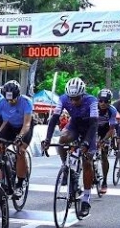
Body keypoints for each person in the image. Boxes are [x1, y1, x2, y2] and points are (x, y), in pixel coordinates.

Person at [41, 77, 99, 217]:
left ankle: (86, 199)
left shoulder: (91, 101)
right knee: (62, 140)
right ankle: (66, 167)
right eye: (71, 98)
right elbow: (54, 119)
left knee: (87, 162)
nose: (73, 101)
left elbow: (93, 125)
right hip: (74, 126)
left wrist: (86, 143)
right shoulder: (63, 99)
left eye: (77, 98)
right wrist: (48, 139)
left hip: (89, 129)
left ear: (83, 95)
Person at [0, 80, 33, 197]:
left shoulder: (26, 102)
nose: (10, 102)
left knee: (20, 150)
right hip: (9, 125)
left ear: (18, 96)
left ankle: (20, 183)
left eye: (13, 100)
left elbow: (27, 124)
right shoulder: (0, 102)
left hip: (23, 127)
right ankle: (2, 172)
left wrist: (20, 137)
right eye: (8, 100)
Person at [94, 88, 118, 196]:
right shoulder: (93, 107)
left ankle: (104, 181)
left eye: (106, 101)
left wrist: (104, 140)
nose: (103, 103)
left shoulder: (112, 110)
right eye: (101, 101)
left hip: (106, 130)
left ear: (110, 102)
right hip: (93, 128)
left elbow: (112, 129)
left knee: (104, 155)